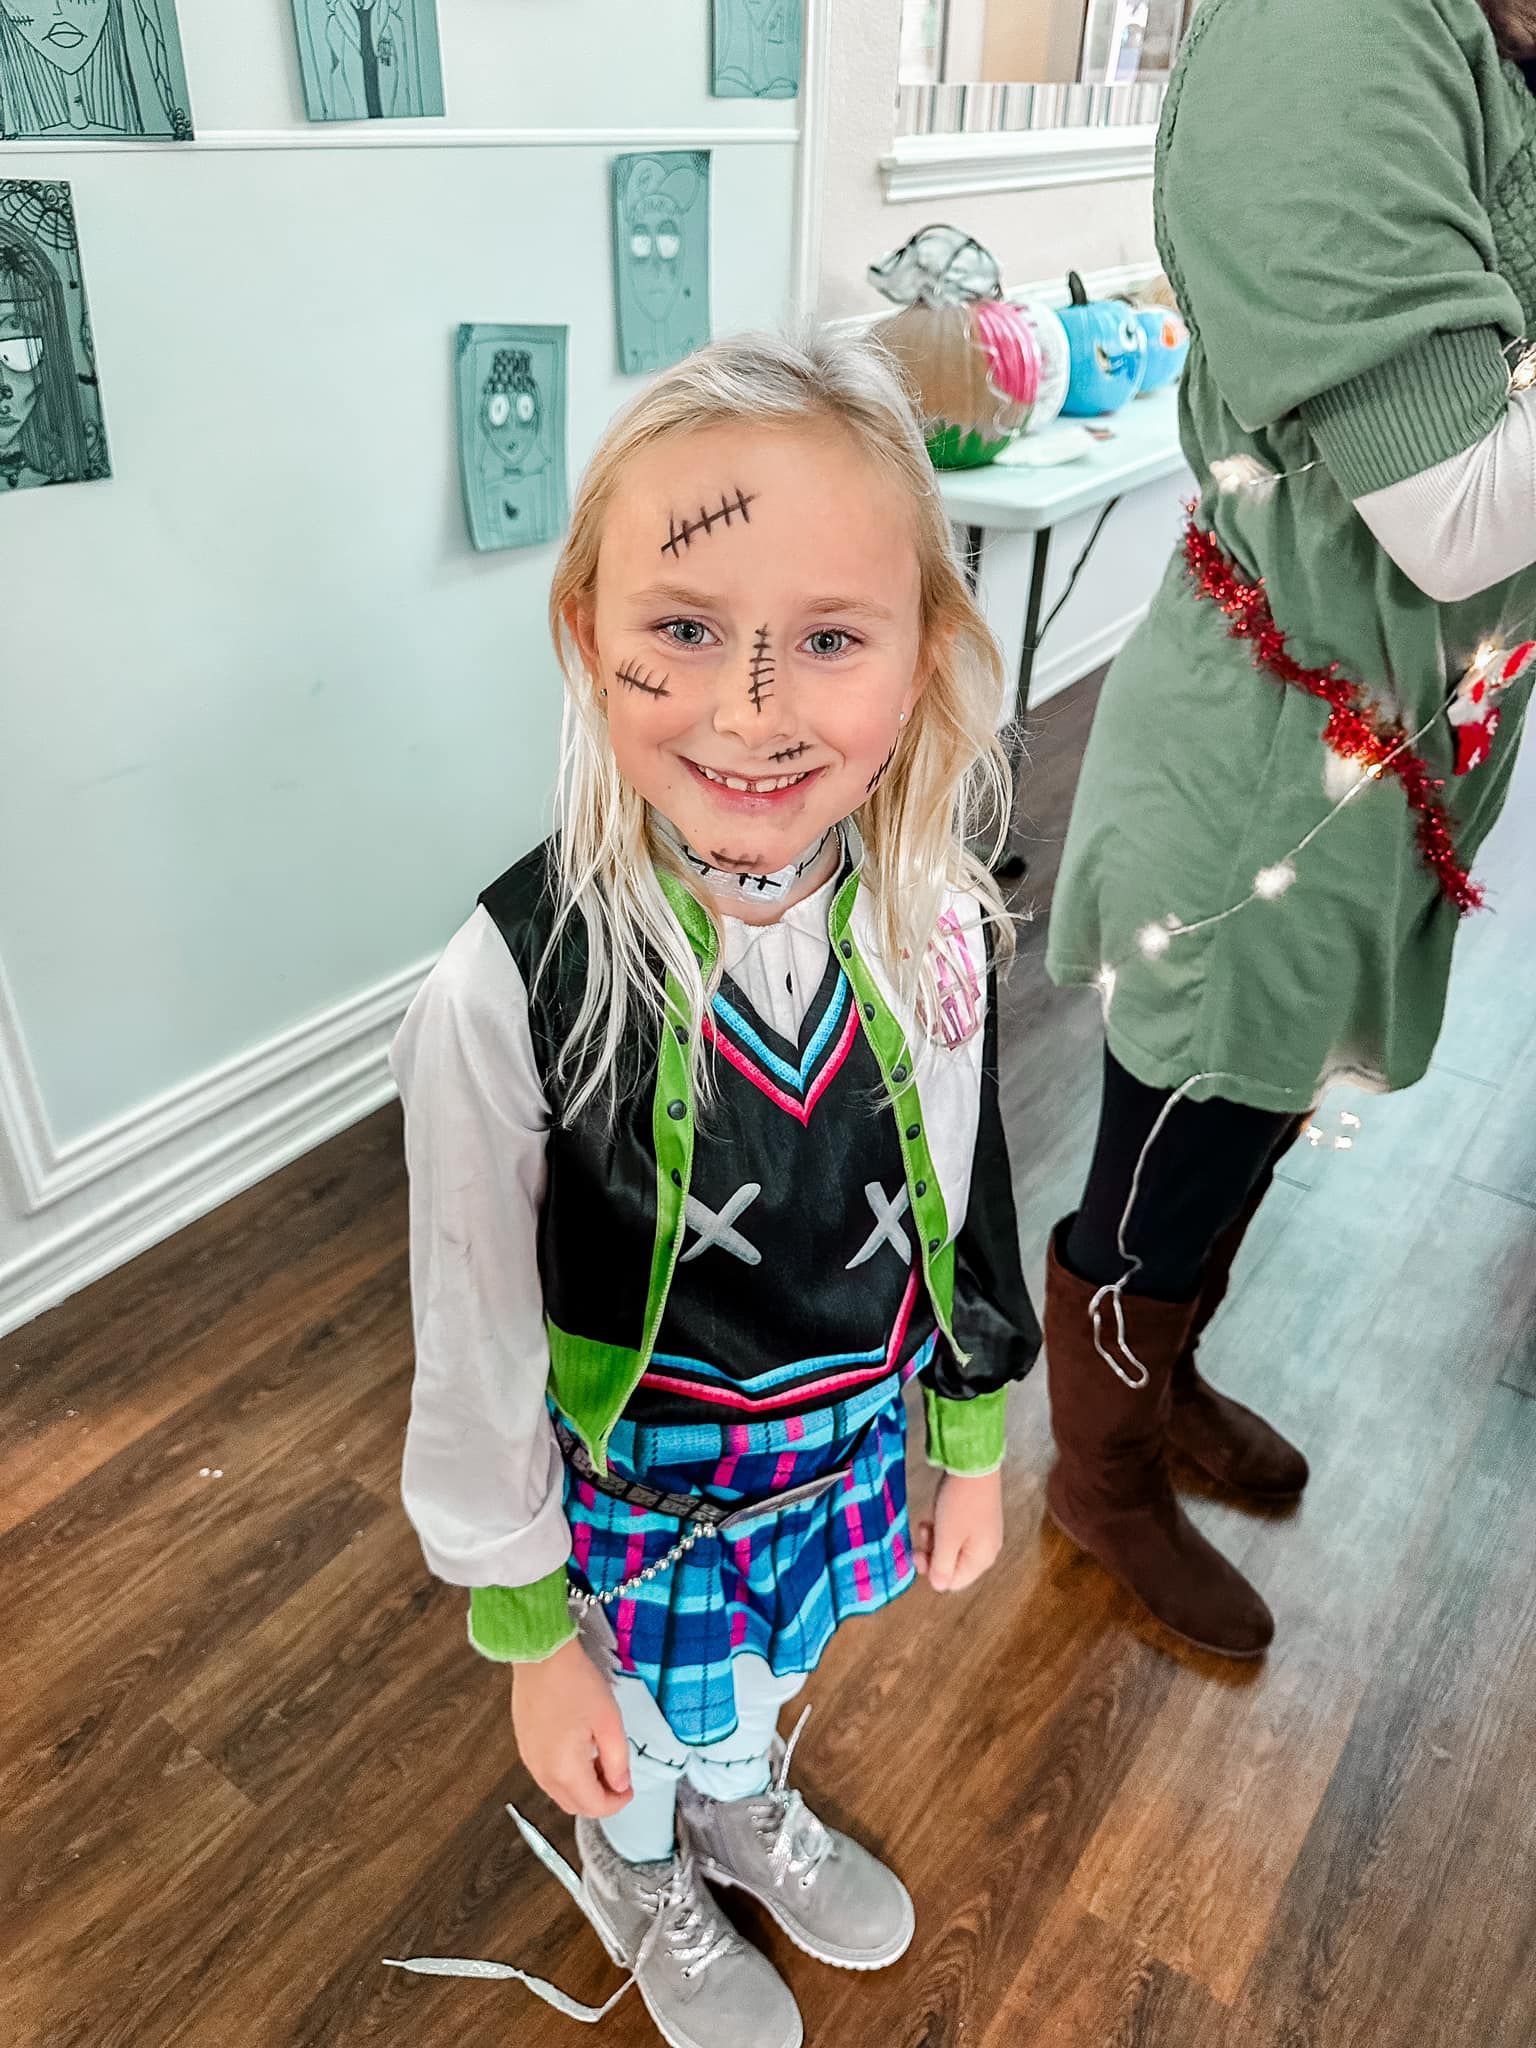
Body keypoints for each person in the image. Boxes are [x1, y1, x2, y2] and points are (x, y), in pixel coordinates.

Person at [386, 330, 1040, 2047]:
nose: (754, 716)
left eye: (827, 641)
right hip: (643, 1476)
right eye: (685, 631)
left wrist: (965, 1439)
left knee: (762, 1671)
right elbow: (474, 1344)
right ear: (585, 635)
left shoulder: (940, 928)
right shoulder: (503, 985)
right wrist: (532, 1624)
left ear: (924, 658)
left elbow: (968, 1200)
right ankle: (640, 1857)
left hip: (830, 1451)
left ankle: (739, 1802)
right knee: (636, 1720)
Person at [1044, 0, 1536, 1659]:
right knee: (1174, 1138)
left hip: (1380, 750)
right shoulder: (1330, 31)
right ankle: (1097, 1473)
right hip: (1273, 751)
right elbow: (1459, 512)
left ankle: (1162, 1378)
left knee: (1251, 1120)